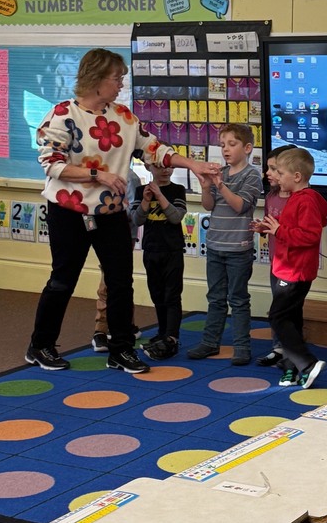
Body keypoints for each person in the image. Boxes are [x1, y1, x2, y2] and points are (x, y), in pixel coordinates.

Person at [25, 48, 219, 375]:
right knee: (63, 280)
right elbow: (51, 164)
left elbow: (155, 150)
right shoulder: (62, 115)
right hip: (69, 212)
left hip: (111, 212)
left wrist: (194, 164)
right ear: (96, 79)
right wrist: (97, 175)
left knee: (120, 281)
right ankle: (40, 345)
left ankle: (121, 349)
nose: (120, 84)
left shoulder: (124, 118)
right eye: (117, 78)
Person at [186, 123, 263, 366]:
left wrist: (219, 184)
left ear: (247, 148)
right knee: (215, 297)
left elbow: (240, 205)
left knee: (238, 299)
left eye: (232, 144)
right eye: (222, 145)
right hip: (215, 245)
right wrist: (206, 187)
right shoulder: (222, 173)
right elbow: (209, 205)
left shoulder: (252, 175)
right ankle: (210, 342)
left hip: (238, 248)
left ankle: (242, 346)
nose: (226, 150)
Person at [261, 147, 327, 388]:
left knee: (277, 316)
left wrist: (280, 231)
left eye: (281, 173)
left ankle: (307, 363)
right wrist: (273, 228)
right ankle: (298, 367)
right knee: (287, 317)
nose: (277, 177)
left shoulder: (307, 200)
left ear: (297, 177)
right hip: (287, 268)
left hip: (294, 271)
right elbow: (293, 229)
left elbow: (309, 236)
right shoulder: (298, 199)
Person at [132, 160, 188, 361]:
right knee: (157, 294)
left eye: (169, 166)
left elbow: (175, 217)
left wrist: (160, 196)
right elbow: (137, 220)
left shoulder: (178, 190)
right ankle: (162, 332)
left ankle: (172, 337)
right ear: (148, 167)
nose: (165, 170)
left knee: (172, 294)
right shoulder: (140, 191)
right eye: (159, 166)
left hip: (172, 250)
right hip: (151, 249)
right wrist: (147, 200)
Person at [91, 161, 142, 353]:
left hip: (123, 232)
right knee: (110, 280)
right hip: (106, 231)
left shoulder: (129, 177)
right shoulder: (96, 173)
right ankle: (100, 330)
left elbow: (133, 210)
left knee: (120, 280)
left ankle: (126, 324)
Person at [252, 145, 293, 368]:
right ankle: (278, 348)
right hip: (276, 261)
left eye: (273, 168)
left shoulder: (299, 199)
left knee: (287, 308)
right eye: (267, 168)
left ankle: (292, 349)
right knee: (277, 305)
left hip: (292, 265)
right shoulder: (271, 196)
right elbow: (271, 224)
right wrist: (262, 227)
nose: (267, 173)